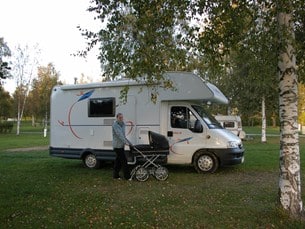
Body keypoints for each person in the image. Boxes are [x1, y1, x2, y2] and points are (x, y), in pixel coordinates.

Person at [112, 113, 131, 180]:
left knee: (118, 162)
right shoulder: (115, 125)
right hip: (117, 146)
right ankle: (127, 177)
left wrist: (128, 141)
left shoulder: (123, 124)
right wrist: (125, 142)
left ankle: (115, 176)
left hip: (121, 146)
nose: (121, 119)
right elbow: (119, 134)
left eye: (122, 117)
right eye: (120, 118)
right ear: (117, 118)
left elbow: (123, 135)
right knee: (124, 161)